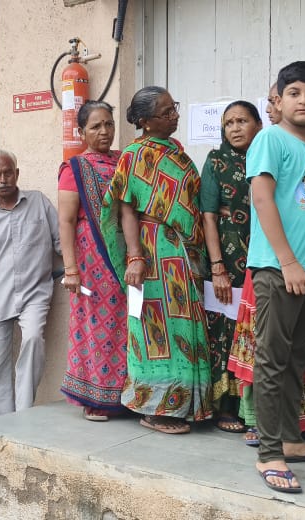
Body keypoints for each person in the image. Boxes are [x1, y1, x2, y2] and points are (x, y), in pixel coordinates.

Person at [247, 61, 305, 494]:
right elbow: (263, 200)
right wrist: (288, 263)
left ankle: (289, 439)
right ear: (279, 99)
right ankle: (269, 453)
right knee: (272, 362)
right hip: (279, 270)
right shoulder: (270, 139)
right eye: (294, 93)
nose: (304, 100)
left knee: (297, 360)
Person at [99, 86, 213, 434]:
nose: (175, 115)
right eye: (166, 112)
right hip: (153, 252)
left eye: (174, 108)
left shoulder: (176, 152)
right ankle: (154, 408)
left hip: (184, 254)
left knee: (186, 327)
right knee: (155, 329)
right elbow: (126, 209)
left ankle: (188, 404)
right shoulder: (134, 155)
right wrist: (135, 256)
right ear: (146, 122)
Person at [0, 149, 60, 418]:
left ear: (17, 173)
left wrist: (79, 265)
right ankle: (1, 422)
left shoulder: (38, 202)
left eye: (8, 172)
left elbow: (60, 241)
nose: (3, 179)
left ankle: (23, 414)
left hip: (35, 293)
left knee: (33, 339)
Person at [57, 100, 129, 421]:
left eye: (108, 124)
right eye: (95, 126)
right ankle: (95, 397)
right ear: (81, 132)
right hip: (92, 258)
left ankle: (127, 394)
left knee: (128, 323)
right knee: (96, 324)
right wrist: (71, 269)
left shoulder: (123, 160)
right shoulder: (74, 168)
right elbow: (66, 221)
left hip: (126, 254)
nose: (104, 131)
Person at [200, 101, 263, 436]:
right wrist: (217, 267)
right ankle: (224, 406)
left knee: (255, 328)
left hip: (262, 256)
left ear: (258, 124)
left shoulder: (266, 157)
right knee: (225, 327)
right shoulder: (216, 161)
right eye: (229, 123)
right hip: (226, 257)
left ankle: (250, 407)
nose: (235, 128)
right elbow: (209, 216)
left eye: (242, 121)